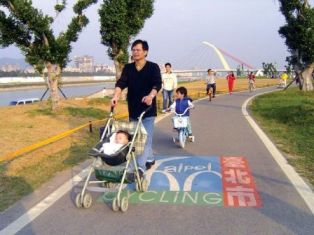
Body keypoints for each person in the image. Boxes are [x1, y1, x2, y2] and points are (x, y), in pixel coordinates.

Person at [111, 39, 162, 175]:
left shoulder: (153, 67)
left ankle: (140, 167)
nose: (135, 52)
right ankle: (150, 158)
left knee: (146, 138)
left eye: (138, 50)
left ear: (145, 52)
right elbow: (121, 83)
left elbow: (157, 84)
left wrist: (151, 96)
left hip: (148, 109)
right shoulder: (128, 68)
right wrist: (116, 96)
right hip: (133, 109)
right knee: (137, 138)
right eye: (133, 50)